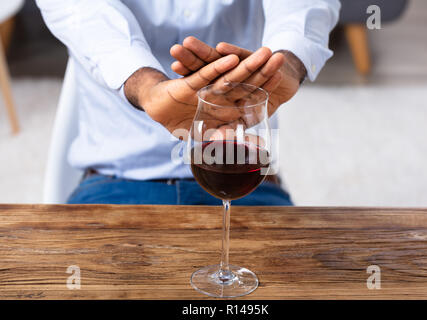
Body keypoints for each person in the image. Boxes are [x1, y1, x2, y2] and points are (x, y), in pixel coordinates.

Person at [36, 0, 340, 205]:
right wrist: (147, 88)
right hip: (116, 179)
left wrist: (285, 63)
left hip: (245, 175)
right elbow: (82, 12)